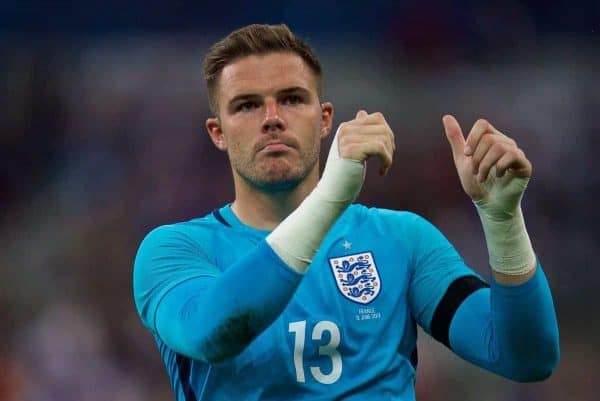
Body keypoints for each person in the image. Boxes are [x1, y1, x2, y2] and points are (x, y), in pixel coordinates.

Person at [133, 24, 559, 401]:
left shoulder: (402, 240)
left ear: (324, 120)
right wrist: (330, 197)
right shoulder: (173, 251)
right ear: (217, 132)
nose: (272, 119)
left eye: (292, 99)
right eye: (246, 105)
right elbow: (213, 332)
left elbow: (526, 357)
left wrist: (503, 223)